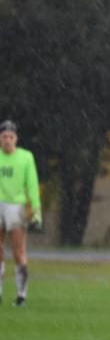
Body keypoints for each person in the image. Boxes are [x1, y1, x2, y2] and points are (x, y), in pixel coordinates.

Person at [0, 119, 41, 307]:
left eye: (10, 136)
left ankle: (21, 294)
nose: (7, 140)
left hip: (16, 207)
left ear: (16, 138)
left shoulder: (26, 157)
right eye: (4, 136)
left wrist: (36, 209)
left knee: (18, 251)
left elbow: (32, 185)